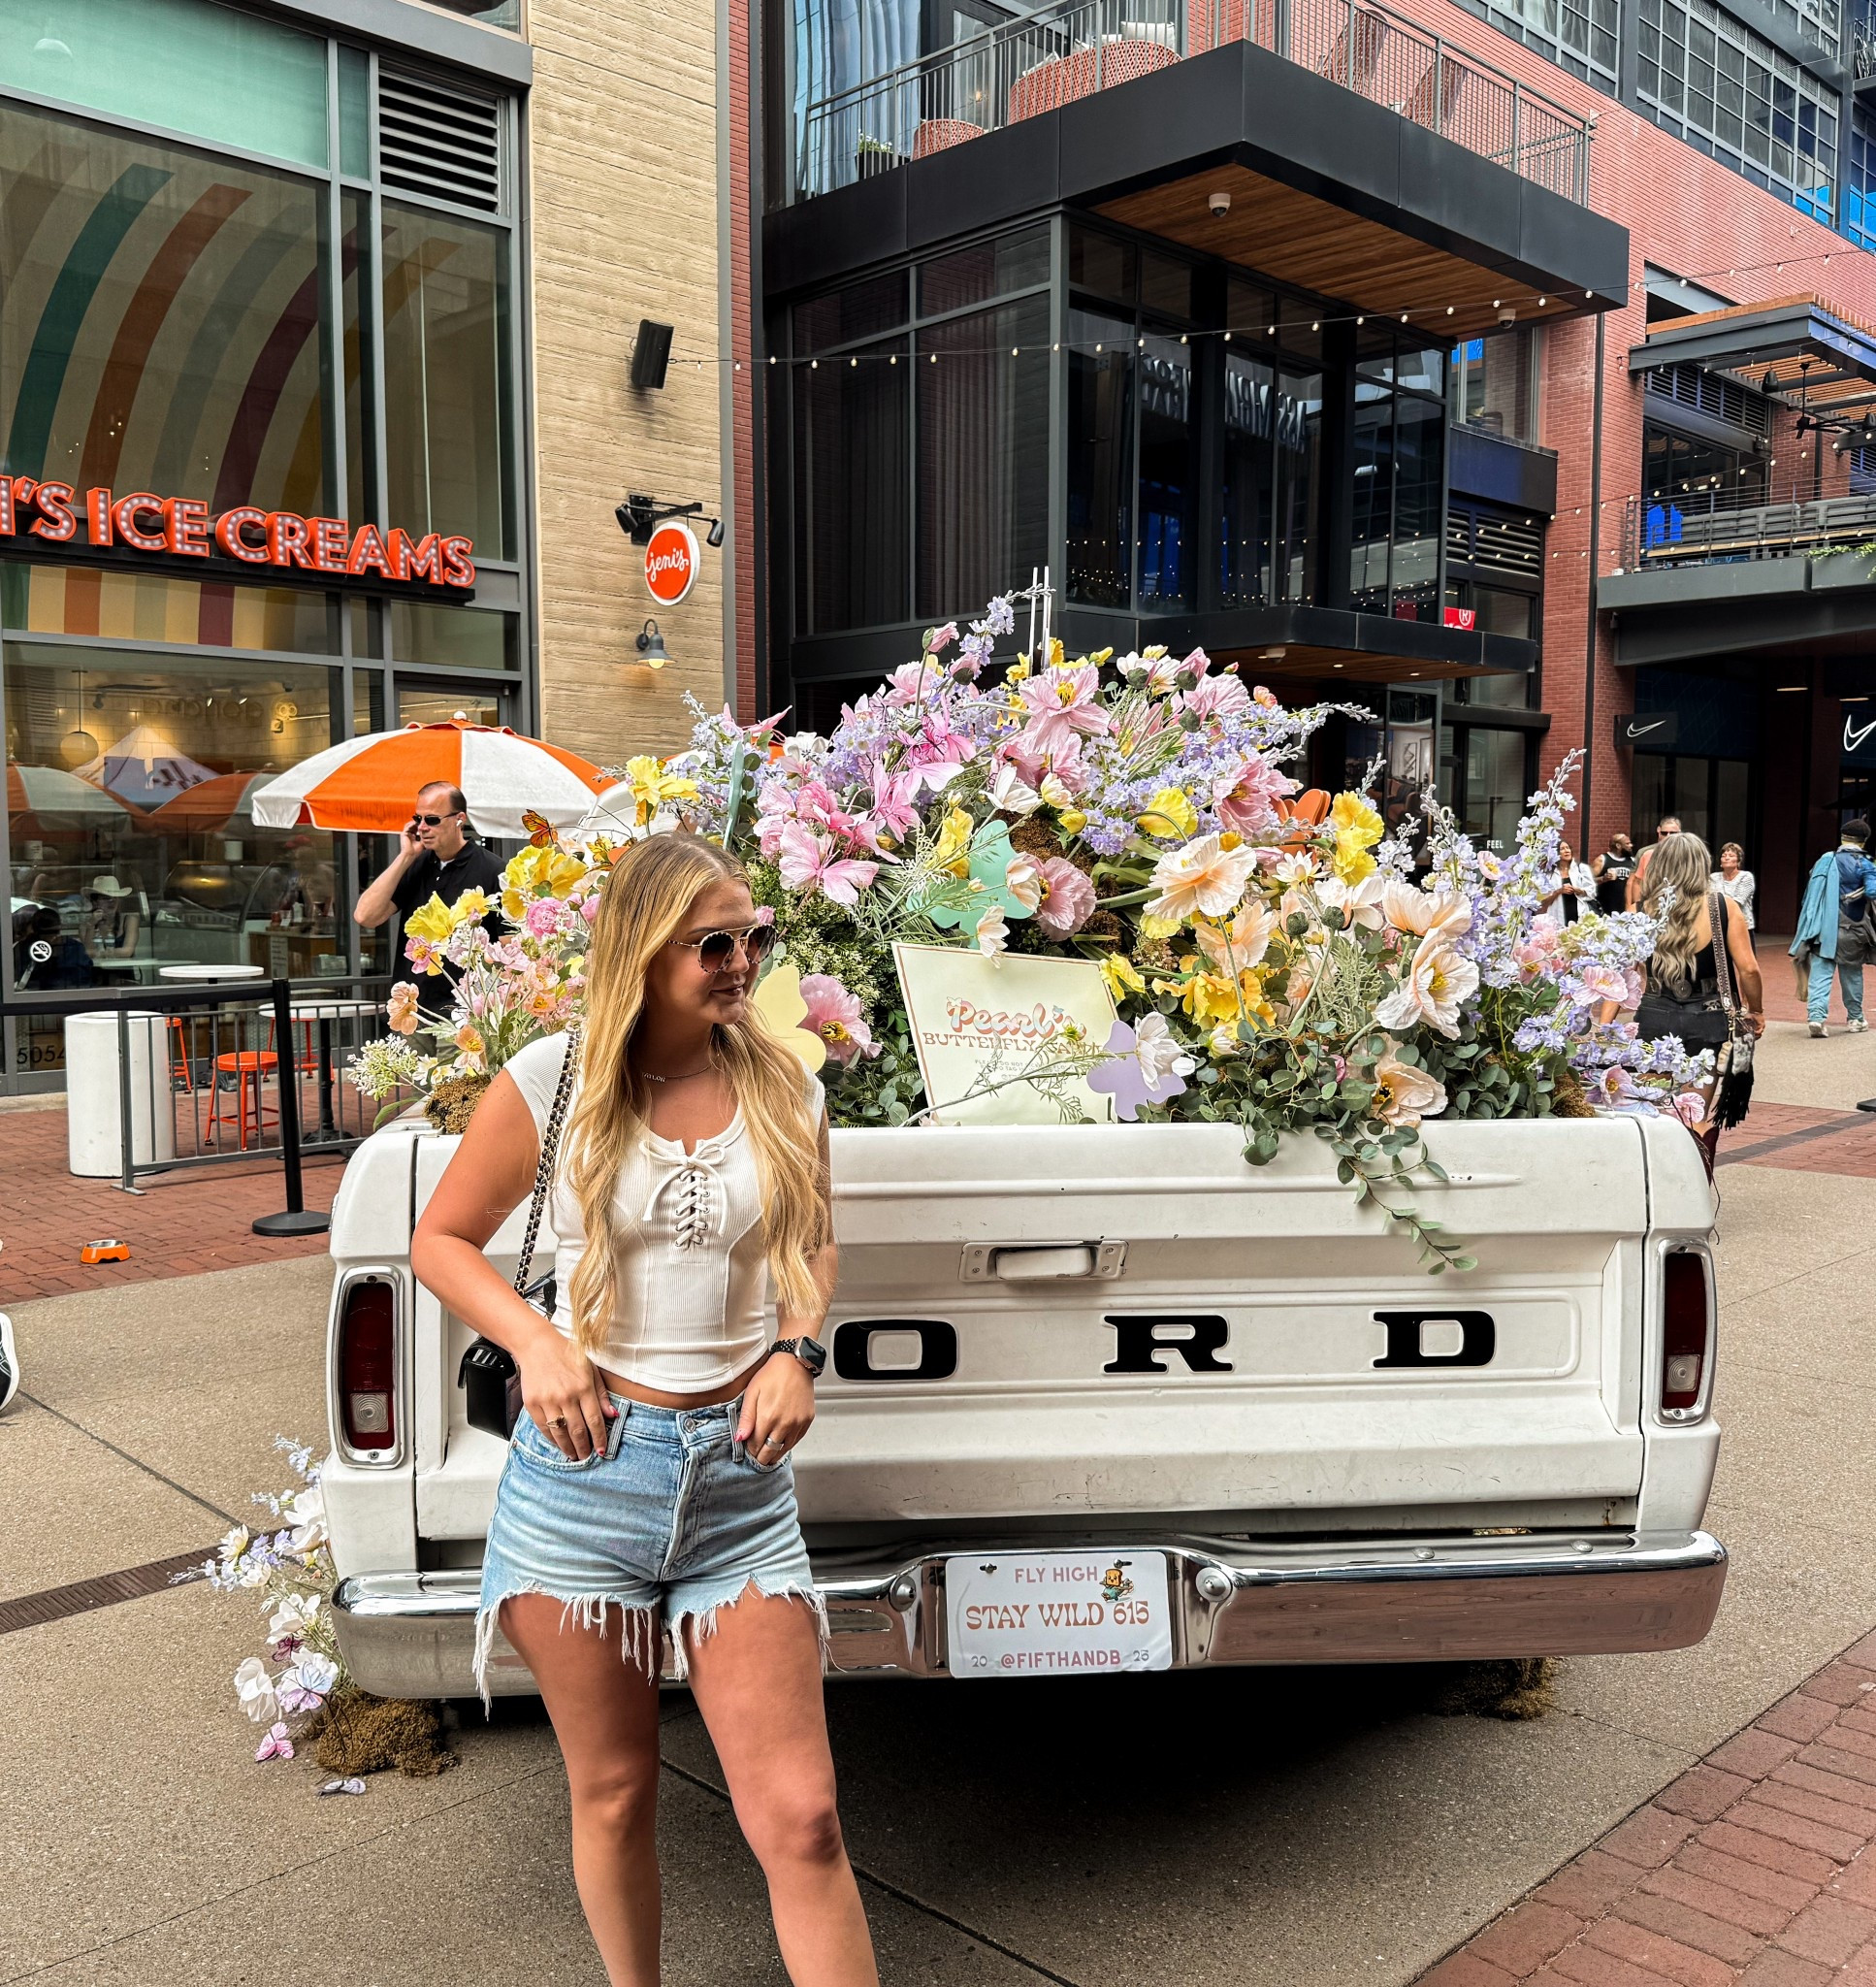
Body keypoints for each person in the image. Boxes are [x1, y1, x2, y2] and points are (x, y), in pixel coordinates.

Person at [410, 833, 879, 1987]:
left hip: (737, 1484)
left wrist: (796, 1348)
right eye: (713, 943)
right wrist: (537, 1342)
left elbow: (812, 1236)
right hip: (582, 1481)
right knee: (615, 1793)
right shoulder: (552, 1081)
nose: (741, 961)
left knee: (805, 1818)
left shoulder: (784, 1081)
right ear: (643, 948)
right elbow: (441, 1239)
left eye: (753, 936)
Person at [1613, 831, 1763, 1156]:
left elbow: (1621, 972)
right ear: (1701, 865)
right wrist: (1756, 1010)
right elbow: (1749, 969)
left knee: (1651, 1111)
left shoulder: (1640, 910)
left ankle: (1656, 1174)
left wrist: (1606, 1024)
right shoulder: (1722, 907)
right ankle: (1695, 1173)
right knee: (1694, 1113)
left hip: (1653, 1016)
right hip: (1708, 1019)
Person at [352, 781, 502, 1011]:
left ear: (459, 819)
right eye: (417, 819)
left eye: (432, 820)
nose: (422, 827)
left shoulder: (493, 870)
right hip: (413, 1010)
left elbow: (507, 950)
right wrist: (405, 857)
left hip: (465, 1012)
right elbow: (365, 916)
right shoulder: (415, 864)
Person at [1790, 818, 1876, 1038]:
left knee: (1821, 973)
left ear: (1843, 837)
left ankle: (1816, 1018)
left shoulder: (1825, 860)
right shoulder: (1865, 863)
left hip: (1821, 927)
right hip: (1852, 929)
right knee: (1852, 974)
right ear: (1863, 840)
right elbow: (1872, 891)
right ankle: (1855, 1019)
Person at [1626, 815, 1681, 909]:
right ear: (1658, 831)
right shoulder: (1645, 853)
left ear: (1679, 832)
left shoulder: (1686, 853)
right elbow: (1632, 882)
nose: (1668, 836)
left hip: (1678, 902)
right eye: (1664, 833)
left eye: (1672, 833)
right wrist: (1631, 908)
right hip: (1650, 902)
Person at [81, 875, 140, 961]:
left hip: (123, 969)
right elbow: (89, 952)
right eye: (106, 898)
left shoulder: (130, 919)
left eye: (115, 897)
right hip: (97, 969)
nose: (112, 901)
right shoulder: (87, 925)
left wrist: (100, 953)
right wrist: (91, 925)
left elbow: (127, 951)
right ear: (95, 902)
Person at [1541, 838, 1596, 925]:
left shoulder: (1581, 868)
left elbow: (1591, 893)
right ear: (1555, 853)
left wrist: (1577, 890)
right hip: (1557, 915)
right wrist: (1559, 891)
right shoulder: (1549, 874)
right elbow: (1543, 900)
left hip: (1579, 914)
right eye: (1562, 849)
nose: (1566, 851)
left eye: (1568, 848)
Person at [1711, 842, 1756, 930]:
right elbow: (1710, 900)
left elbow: (1737, 902)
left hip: (1742, 926)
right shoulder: (1713, 877)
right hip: (1719, 928)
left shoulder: (1746, 877)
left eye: (1731, 856)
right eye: (1723, 856)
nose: (1726, 858)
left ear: (1738, 861)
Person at [1593, 831, 1637, 917]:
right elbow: (1588, 881)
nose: (1631, 845)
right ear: (1618, 846)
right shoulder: (1603, 859)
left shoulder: (1632, 861)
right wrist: (1603, 878)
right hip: (1606, 908)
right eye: (1627, 844)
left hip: (1626, 907)